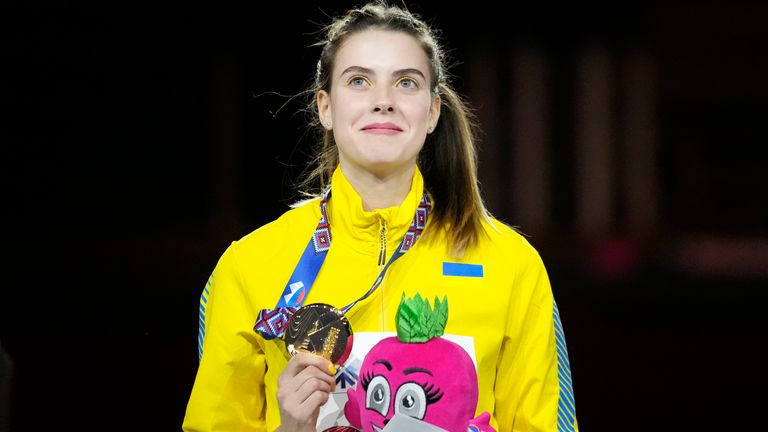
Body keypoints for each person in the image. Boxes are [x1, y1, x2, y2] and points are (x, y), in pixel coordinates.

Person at [183, 1, 578, 431]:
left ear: (432, 112)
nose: (383, 102)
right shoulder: (249, 266)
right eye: (358, 81)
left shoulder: (511, 264)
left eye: (406, 83)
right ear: (325, 107)